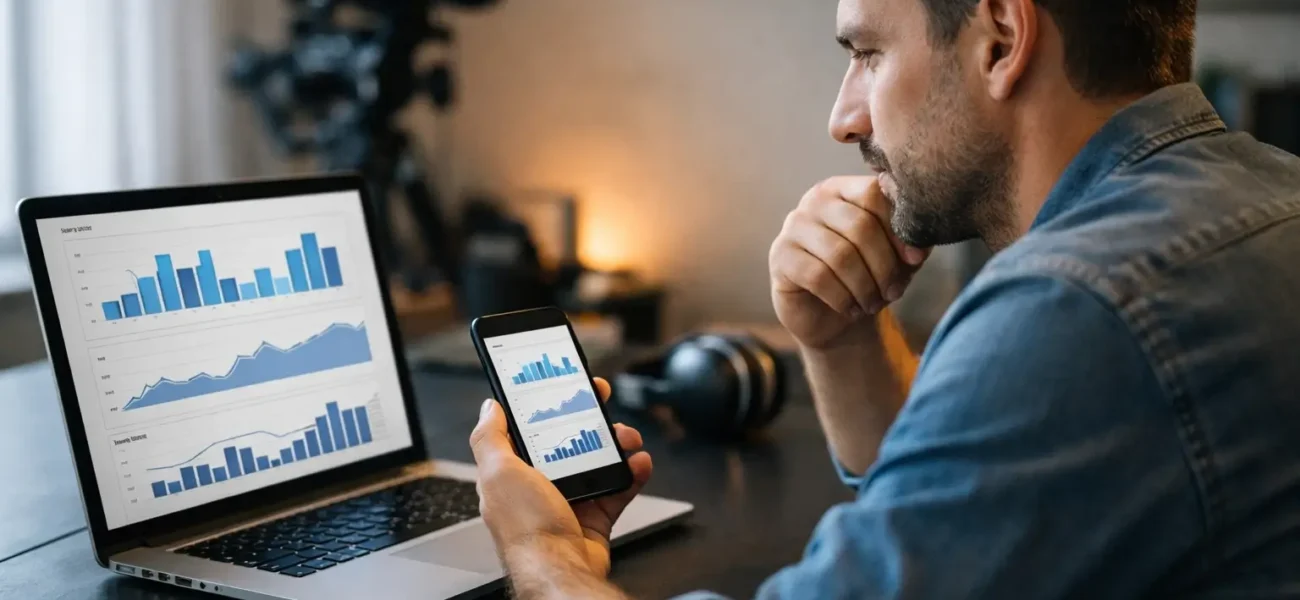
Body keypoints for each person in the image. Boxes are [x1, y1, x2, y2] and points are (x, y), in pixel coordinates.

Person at [469, 0, 1300, 597]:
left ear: (1002, 38)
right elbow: (961, 518)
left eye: (867, 53)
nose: (843, 115)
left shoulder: (1077, 311)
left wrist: (546, 553)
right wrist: (842, 339)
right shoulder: (1272, 193)